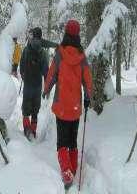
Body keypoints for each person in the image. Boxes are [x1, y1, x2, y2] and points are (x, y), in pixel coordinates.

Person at [43, 19, 93, 189]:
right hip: (75, 106)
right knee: (72, 139)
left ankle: (66, 171)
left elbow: (51, 74)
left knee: (62, 141)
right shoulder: (81, 56)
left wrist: (46, 89)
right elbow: (88, 79)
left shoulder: (60, 53)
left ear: (66, 34)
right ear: (77, 35)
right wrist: (88, 97)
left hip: (62, 106)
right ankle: (73, 166)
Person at [20, 27, 49, 140]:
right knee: (35, 110)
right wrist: (46, 86)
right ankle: (33, 130)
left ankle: (27, 130)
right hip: (37, 85)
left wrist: (23, 75)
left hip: (28, 84)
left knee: (26, 108)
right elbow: (45, 71)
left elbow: (21, 65)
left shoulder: (27, 49)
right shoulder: (42, 52)